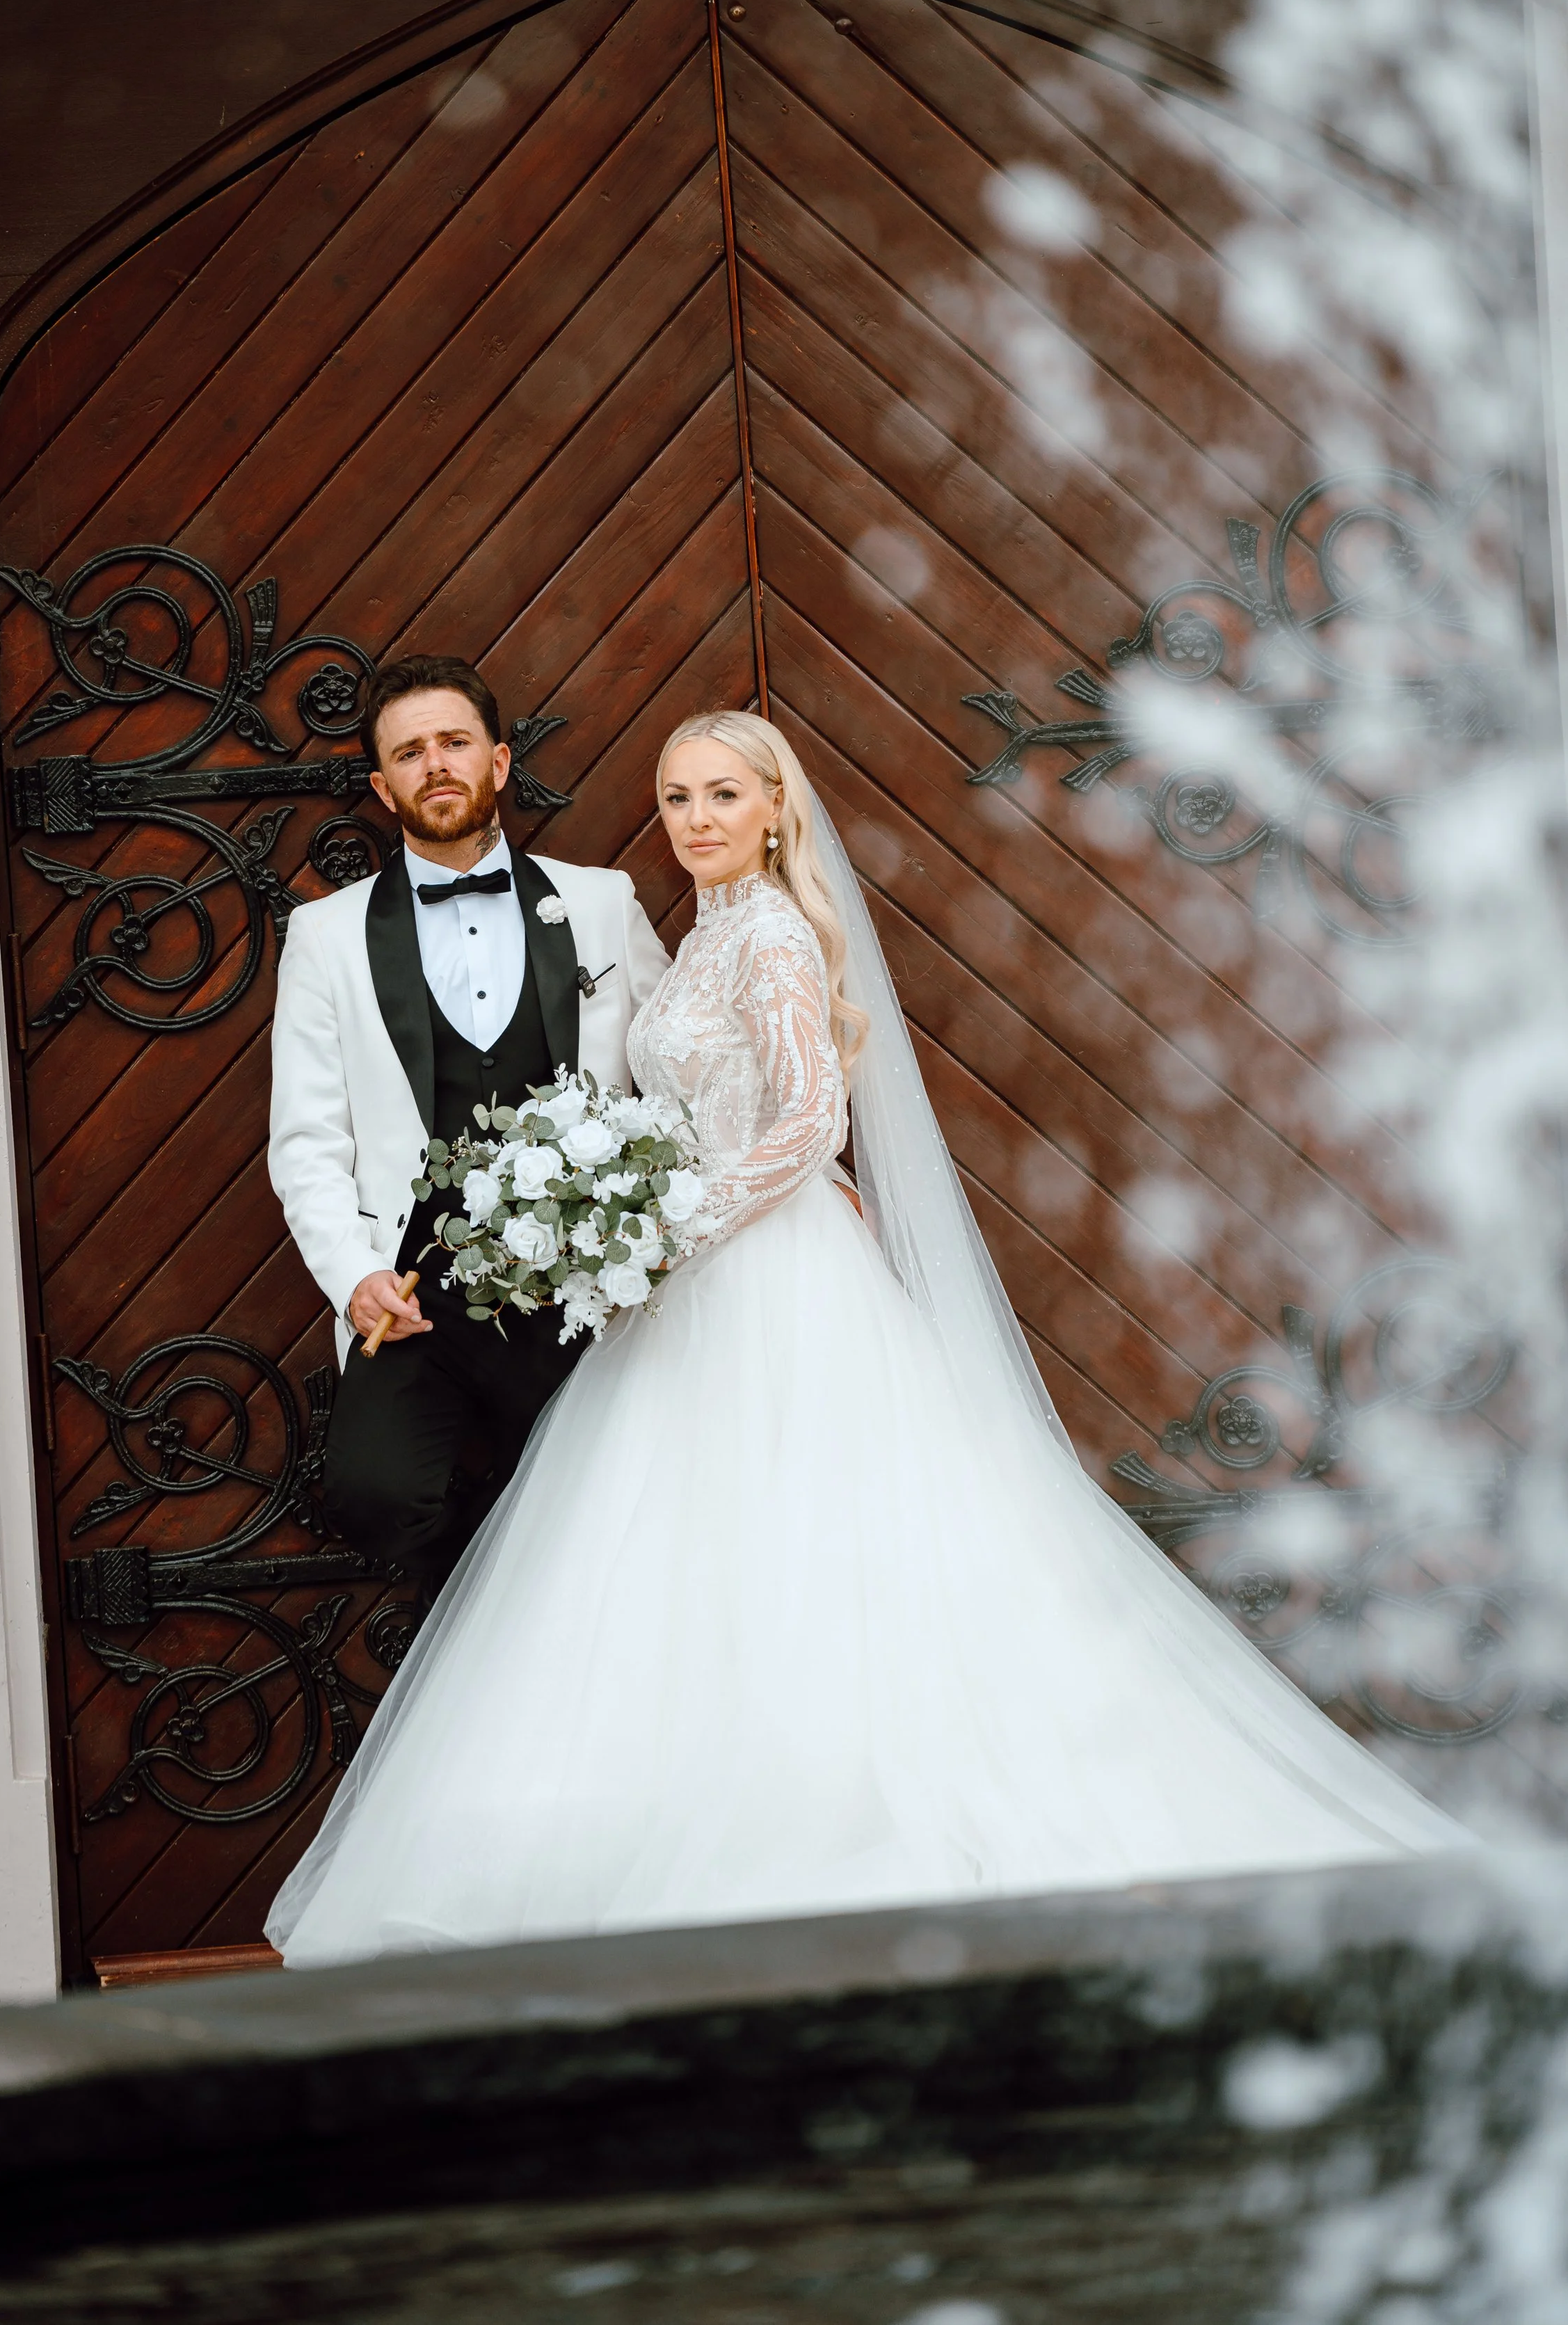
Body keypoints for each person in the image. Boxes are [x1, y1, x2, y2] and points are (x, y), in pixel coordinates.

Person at [268, 710, 1468, 1966]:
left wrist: (666, 1228)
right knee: (697, 1553)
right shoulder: (698, 934)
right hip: (668, 1280)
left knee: (809, 1541)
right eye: (676, 797)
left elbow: (804, 1121)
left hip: (758, 1275)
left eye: (724, 795)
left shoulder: (770, 933)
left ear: (776, 807)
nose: (696, 819)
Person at [268, 654, 669, 1566]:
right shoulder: (325, 939)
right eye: (410, 752)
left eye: (455, 741)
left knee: (618, 1514)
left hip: (581, 1286)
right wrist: (355, 1273)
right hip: (412, 1292)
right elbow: (306, 1138)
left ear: (497, 761)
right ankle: (488, 1632)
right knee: (373, 1497)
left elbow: (680, 1069)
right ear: (382, 785)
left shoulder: (601, 903)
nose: (435, 763)